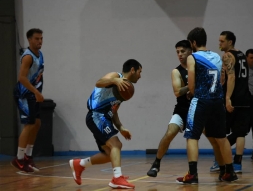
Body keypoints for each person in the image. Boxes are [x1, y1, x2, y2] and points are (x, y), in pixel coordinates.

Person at [176, 27, 238, 184]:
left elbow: (191, 84)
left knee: (191, 136)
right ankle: (229, 172)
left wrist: (191, 92)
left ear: (193, 42)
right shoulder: (217, 56)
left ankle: (192, 174)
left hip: (201, 100)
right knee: (221, 137)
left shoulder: (193, 57)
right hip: (217, 101)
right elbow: (222, 79)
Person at [69, 59, 142, 189]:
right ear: (132, 70)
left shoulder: (124, 88)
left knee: (109, 154)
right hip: (96, 115)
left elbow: (114, 111)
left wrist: (121, 127)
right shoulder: (116, 76)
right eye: (139, 72)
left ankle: (79, 164)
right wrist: (115, 80)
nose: (140, 76)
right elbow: (98, 82)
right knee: (116, 144)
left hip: (105, 117)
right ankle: (117, 178)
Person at [147, 40, 192, 177]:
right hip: (181, 109)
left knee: (212, 137)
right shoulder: (176, 71)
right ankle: (156, 163)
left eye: (182, 51)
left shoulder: (197, 68)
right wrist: (191, 86)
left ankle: (222, 166)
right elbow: (178, 92)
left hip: (197, 109)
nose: (179, 54)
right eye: (177, 52)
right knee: (169, 133)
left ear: (190, 51)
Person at [11, 28, 45, 173]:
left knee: (37, 123)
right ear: (29, 40)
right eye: (37, 39)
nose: (39, 41)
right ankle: (18, 159)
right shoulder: (28, 57)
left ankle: (28, 157)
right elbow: (22, 78)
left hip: (33, 94)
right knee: (29, 124)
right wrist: (36, 92)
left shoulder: (40, 54)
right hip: (24, 94)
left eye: (41, 38)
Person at [219, 31, 251, 173]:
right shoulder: (242, 55)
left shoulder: (228, 56)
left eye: (222, 41)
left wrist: (227, 97)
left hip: (233, 97)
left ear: (230, 42)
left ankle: (219, 161)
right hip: (245, 97)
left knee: (220, 132)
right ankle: (238, 163)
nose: (219, 44)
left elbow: (231, 77)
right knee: (240, 133)